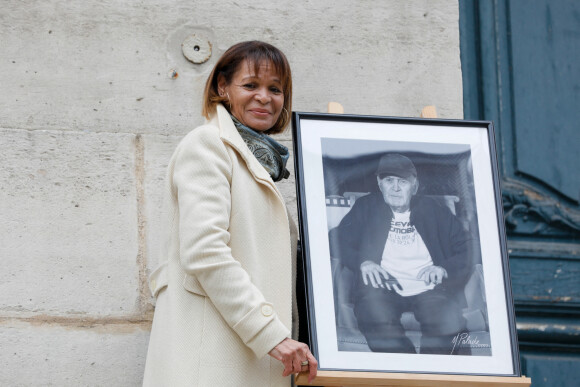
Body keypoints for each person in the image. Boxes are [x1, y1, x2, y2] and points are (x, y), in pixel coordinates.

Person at [143, 41, 317, 386]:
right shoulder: (208, 145)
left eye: (275, 89)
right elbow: (205, 253)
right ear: (223, 87)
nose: (264, 97)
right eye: (250, 85)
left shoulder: (257, 162)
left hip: (244, 361)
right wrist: (272, 335)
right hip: (210, 366)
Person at [329, 153, 476, 355]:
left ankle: (429, 377)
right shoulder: (365, 207)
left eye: (402, 182)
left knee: (445, 322)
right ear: (379, 184)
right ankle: (406, 374)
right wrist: (363, 263)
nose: (395, 188)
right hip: (381, 288)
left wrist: (444, 268)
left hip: (430, 288)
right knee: (374, 317)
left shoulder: (434, 209)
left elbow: (468, 246)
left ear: (414, 186)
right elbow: (335, 238)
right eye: (389, 181)